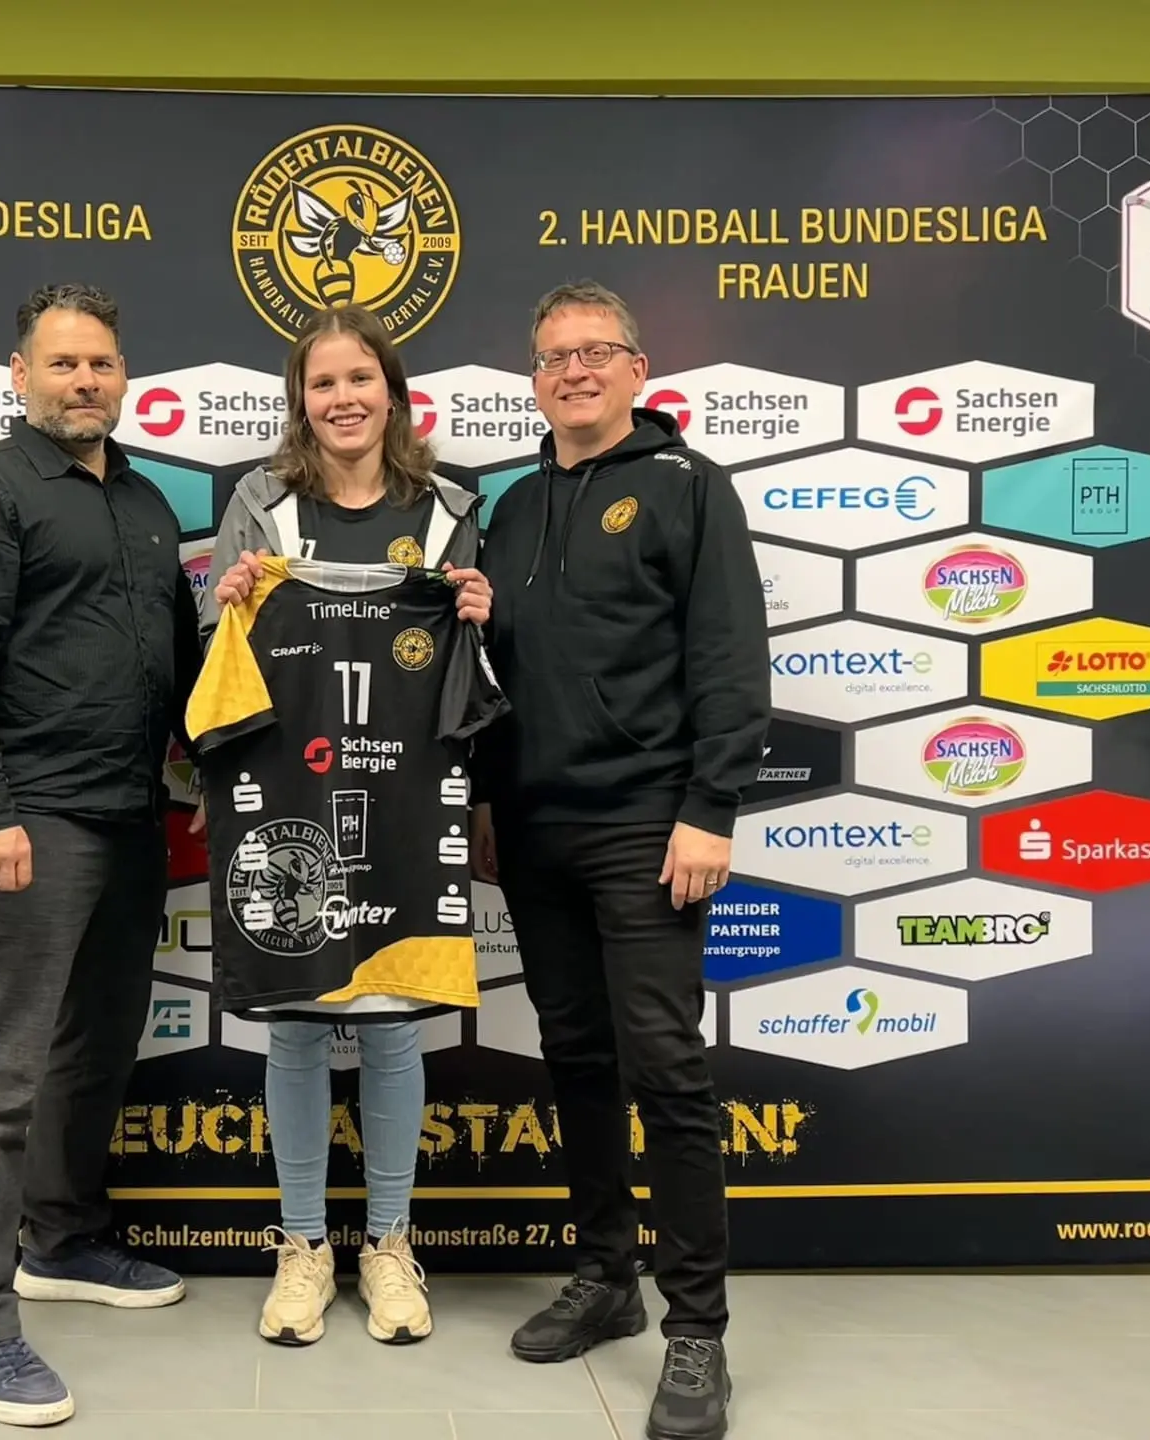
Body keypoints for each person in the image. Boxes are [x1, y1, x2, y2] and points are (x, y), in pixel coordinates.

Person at [470, 280, 770, 1440]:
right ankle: (607, 1277)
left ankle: (697, 1333)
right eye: (554, 357)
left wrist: (710, 807)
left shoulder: (689, 486)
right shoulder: (510, 507)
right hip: (534, 826)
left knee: (667, 1070)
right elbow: (496, 673)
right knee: (578, 1059)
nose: (575, 371)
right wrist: (488, 798)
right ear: (535, 380)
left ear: (639, 370)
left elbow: (729, 656)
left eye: (596, 351)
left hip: (649, 824)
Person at [0, 282, 202, 1429]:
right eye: (64, 363)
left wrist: (214, 772)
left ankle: (63, 1239)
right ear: (20, 374)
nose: (86, 381)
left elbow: (178, 667)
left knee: (96, 1045)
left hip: (131, 816)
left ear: (124, 377)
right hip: (30, 819)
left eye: (103, 363)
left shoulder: (146, 501)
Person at [202, 302, 492, 1347]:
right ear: (300, 400)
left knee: (393, 1020)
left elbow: (483, 671)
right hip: (287, 788)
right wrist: (227, 599)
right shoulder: (260, 502)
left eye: (360, 378)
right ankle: (302, 1246)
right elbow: (210, 650)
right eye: (322, 383)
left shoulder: (450, 510)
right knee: (293, 1020)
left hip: (408, 790)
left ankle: (388, 1243)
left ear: (393, 392)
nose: (343, 399)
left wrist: (478, 616)